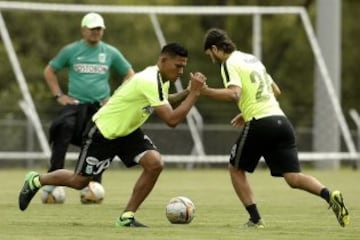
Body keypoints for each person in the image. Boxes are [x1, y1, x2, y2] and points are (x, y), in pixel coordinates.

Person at [18, 42, 206, 227]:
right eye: (178, 66)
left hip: (127, 132)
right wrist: (194, 94)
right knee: (79, 181)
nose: (181, 72)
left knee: (154, 163)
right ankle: (36, 180)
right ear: (164, 60)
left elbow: (166, 102)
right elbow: (171, 120)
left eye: (184, 67)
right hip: (104, 131)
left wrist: (188, 91)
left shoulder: (160, 79)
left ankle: (126, 217)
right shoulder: (150, 80)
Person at [201, 28, 349, 228]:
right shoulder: (252, 59)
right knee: (293, 178)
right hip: (281, 121)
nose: (212, 59)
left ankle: (255, 219)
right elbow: (275, 90)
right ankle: (330, 195)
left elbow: (234, 94)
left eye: (210, 55)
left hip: (260, 122)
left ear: (215, 48)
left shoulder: (229, 63)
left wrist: (204, 91)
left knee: (235, 168)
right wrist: (246, 111)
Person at [44, 12, 135, 197]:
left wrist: (116, 97)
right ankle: (54, 182)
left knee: (100, 141)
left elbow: (130, 74)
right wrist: (59, 95)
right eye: (92, 28)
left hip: (100, 107)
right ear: (83, 30)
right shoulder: (70, 50)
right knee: (62, 129)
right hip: (75, 106)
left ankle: (92, 185)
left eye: (99, 29)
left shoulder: (110, 52)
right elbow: (50, 70)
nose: (96, 32)